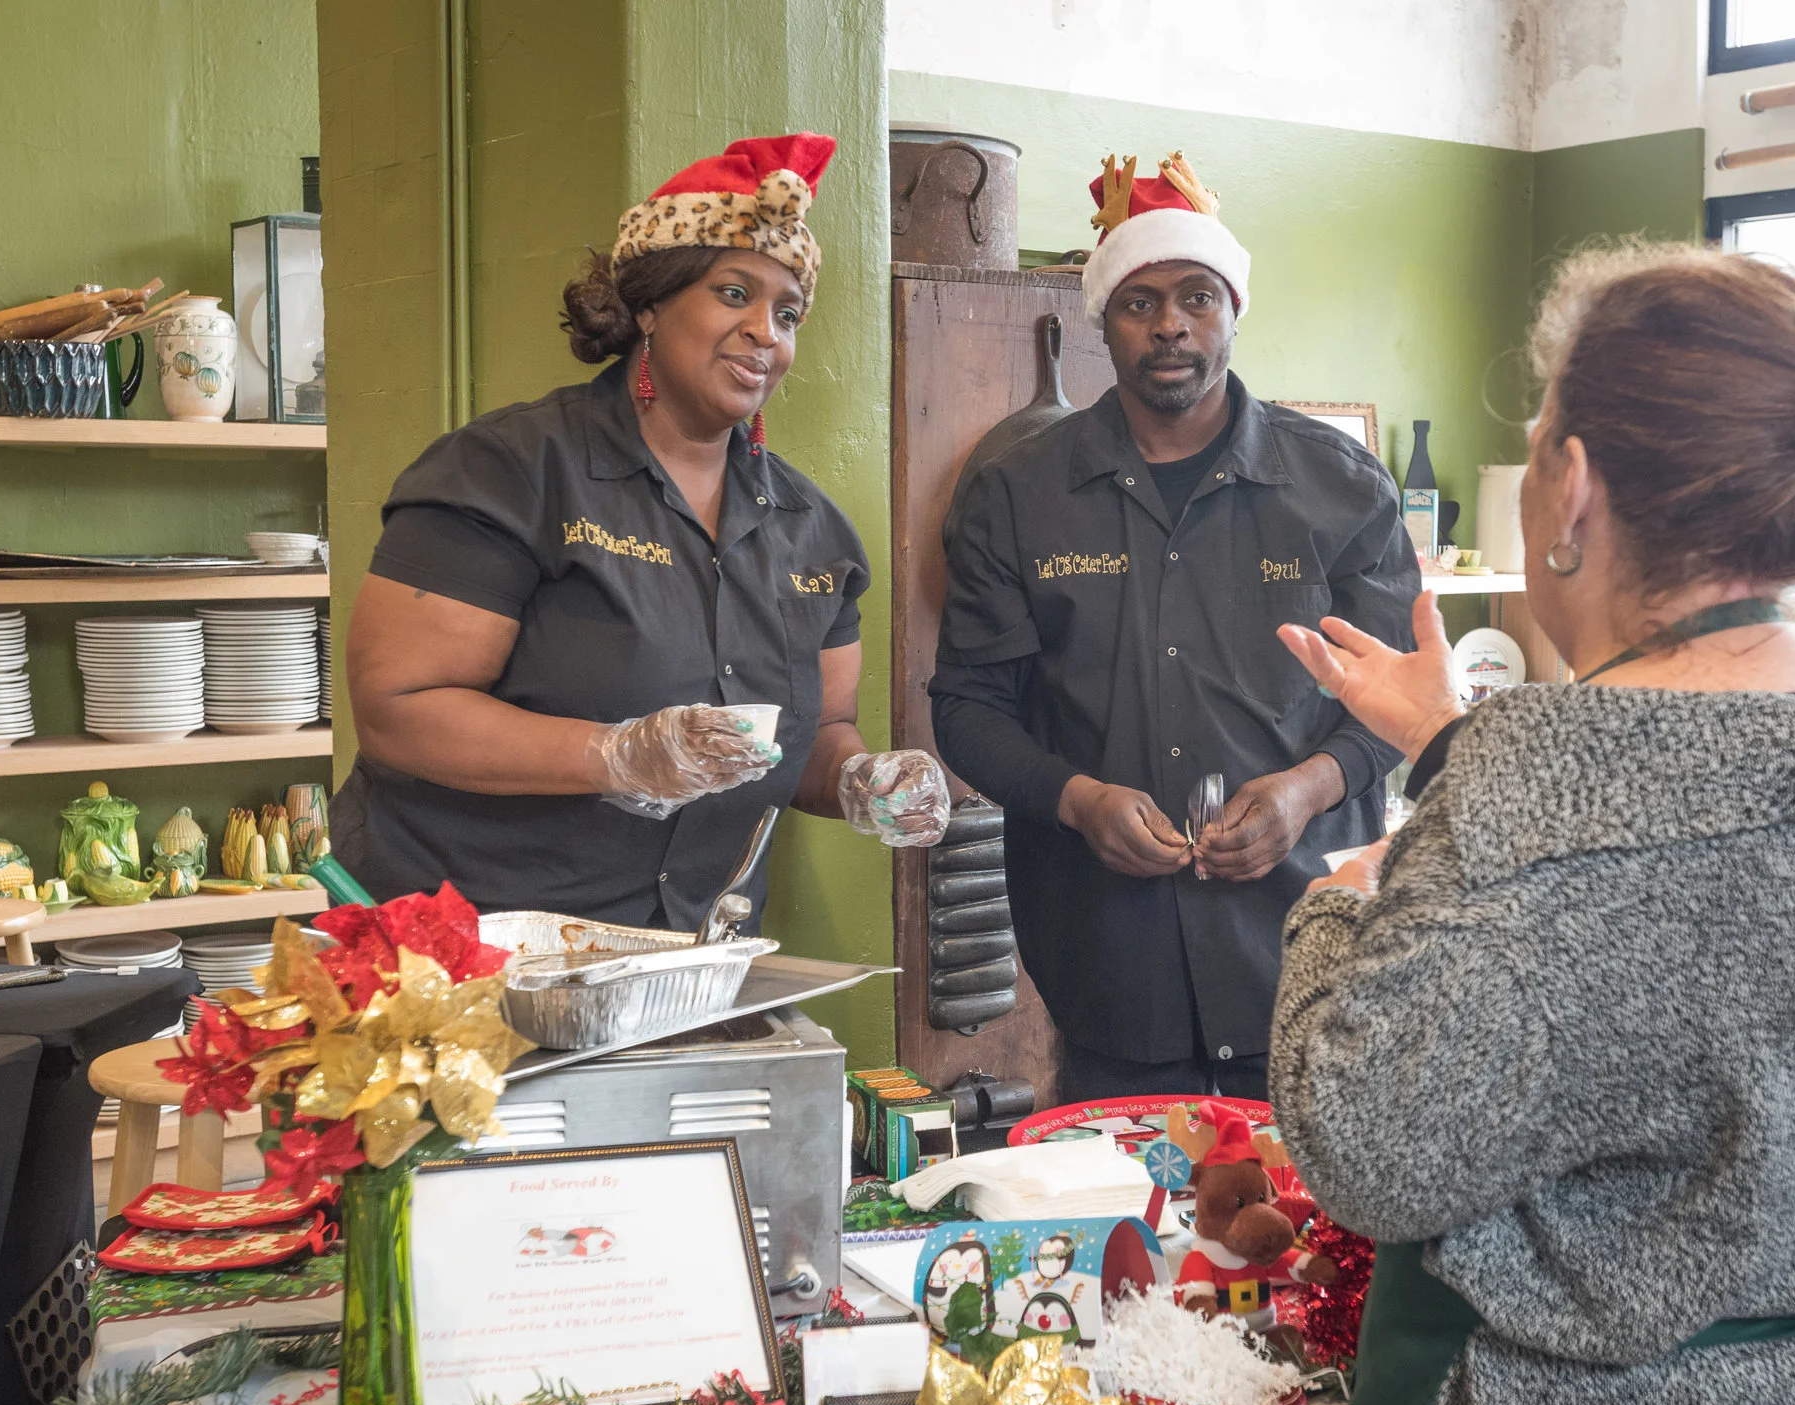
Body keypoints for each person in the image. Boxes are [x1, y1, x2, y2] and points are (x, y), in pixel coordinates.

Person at [1271, 245, 1795, 1405]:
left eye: (1536, 434)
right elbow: (1683, 934)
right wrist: (1462, 759)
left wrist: (1343, 905)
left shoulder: (1543, 799)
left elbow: (1368, 1141)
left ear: (1574, 486)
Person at [336, 133, 948, 929]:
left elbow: (816, 734)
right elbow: (399, 706)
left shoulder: (815, 534)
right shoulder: (509, 471)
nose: (766, 331)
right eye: (735, 293)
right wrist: (615, 754)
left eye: (787, 312)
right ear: (650, 305)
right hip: (463, 944)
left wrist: (859, 781)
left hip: (687, 952)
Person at [931, 151, 1419, 1103]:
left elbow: (1399, 703)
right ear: (1102, 319)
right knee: (1124, 1197)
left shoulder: (1341, 487)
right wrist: (1078, 800)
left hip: (1309, 958)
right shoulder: (1019, 494)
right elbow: (968, 708)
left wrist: (1307, 789)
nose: (1170, 325)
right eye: (1139, 302)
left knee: (1306, 1202)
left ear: (1233, 309)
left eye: (1198, 296)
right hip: (1110, 964)